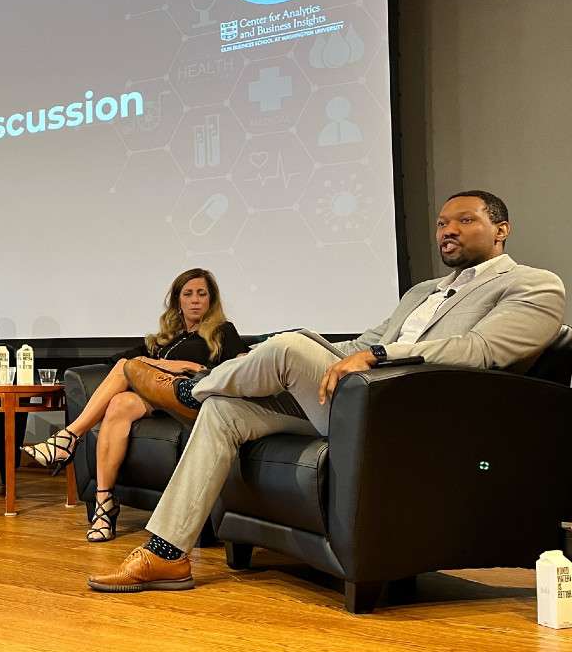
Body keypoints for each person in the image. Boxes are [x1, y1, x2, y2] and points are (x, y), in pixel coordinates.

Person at [87, 191, 567, 593]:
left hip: (417, 410)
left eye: (465, 220)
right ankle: (168, 552)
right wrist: (321, 348)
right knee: (229, 409)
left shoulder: (534, 285)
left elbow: (482, 350)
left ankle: (190, 391)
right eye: (442, 222)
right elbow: (359, 344)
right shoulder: (423, 291)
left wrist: (378, 356)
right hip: (357, 401)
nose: (448, 230)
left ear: (501, 229)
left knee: (281, 352)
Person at [21, 268, 245, 541]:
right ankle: (104, 506)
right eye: (188, 294)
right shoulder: (165, 340)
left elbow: (234, 371)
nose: (195, 300)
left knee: (128, 369)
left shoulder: (222, 332)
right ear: (178, 301)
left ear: (211, 300)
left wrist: (179, 366)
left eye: (202, 294)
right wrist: (161, 363)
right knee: (120, 403)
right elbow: (120, 360)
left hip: (193, 401)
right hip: (158, 402)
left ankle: (69, 437)